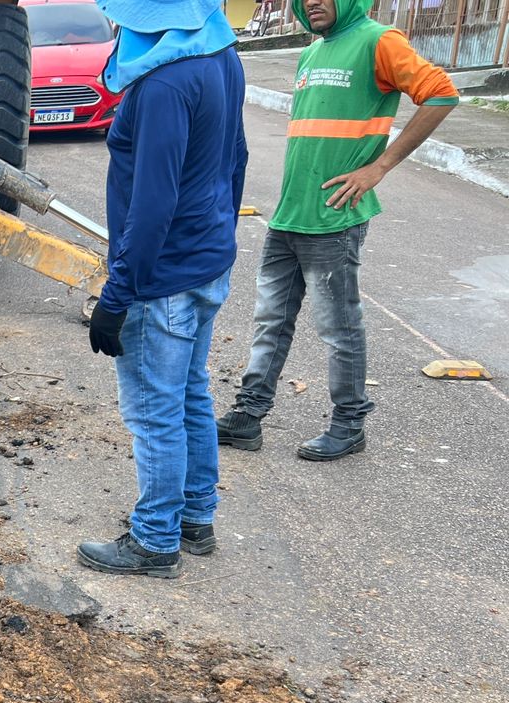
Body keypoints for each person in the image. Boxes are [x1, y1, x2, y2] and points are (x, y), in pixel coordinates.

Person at [217, 0, 458, 460]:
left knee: (338, 327)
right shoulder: (312, 51)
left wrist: (379, 167)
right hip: (289, 214)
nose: (314, 2)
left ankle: (349, 425)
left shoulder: (379, 41)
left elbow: (442, 94)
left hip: (334, 216)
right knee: (270, 320)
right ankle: (248, 417)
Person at [78, 0, 249, 577]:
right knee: (190, 394)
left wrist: (118, 294)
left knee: (154, 413)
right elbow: (237, 158)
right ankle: (196, 519)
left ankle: (155, 541)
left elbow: (152, 207)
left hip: (163, 278)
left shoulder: (161, 85)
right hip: (206, 263)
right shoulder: (221, 54)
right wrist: (218, 231)